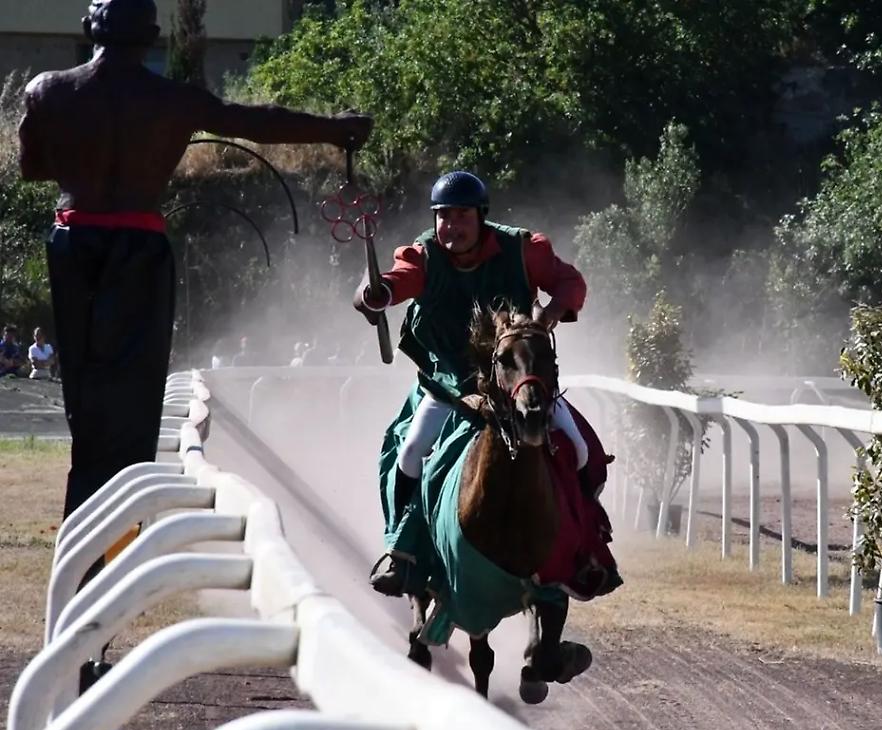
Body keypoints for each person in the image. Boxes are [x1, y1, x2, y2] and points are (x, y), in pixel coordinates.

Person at [18, 0, 373, 517]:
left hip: (75, 241)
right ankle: (123, 516)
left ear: (88, 27)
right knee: (137, 394)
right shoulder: (174, 100)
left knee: (84, 386)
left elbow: (31, 168)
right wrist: (333, 128)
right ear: (152, 36)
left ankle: (85, 511)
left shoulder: (46, 89)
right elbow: (255, 122)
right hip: (139, 245)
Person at [354, 170, 594, 595]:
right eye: (443, 216)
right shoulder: (423, 256)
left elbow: (570, 282)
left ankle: (587, 548)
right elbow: (397, 279)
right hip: (449, 384)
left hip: (515, 384)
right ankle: (402, 552)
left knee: (580, 450)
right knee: (410, 453)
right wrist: (378, 294)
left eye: (462, 216)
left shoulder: (524, 250)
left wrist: (551, 313)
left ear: (481, 217)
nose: (452, 226)